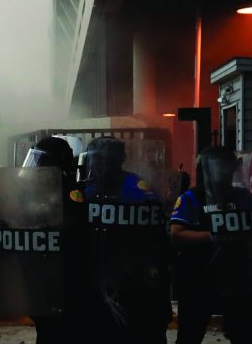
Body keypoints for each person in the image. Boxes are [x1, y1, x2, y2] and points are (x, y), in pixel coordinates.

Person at [169, 147, 252, 344]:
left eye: (226, 168)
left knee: (245, 333)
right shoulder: (191, 198)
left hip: (237, 276)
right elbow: (176, 233)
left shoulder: (242, 196)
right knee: (190, 333)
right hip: (199, 275)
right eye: (218, 168)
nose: (222, 173)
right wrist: (212, 236)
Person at [81, 136, 171, 344]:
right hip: (97, 276)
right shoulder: (88, 188)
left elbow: (151, 235)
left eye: (106, 160)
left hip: (134, 279)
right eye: (97, 160)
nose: (100, 166)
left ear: (118, 161)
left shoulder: (137, 188)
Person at [21, 137, 87, 344]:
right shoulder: (32, 191)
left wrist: (42, 223)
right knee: (45, 328)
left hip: (63, 273)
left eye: (43, 161)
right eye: (36, 160)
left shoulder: (71, 191)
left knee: (62, 330)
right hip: (39, 271)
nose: (37, 166)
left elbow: (70, 223)